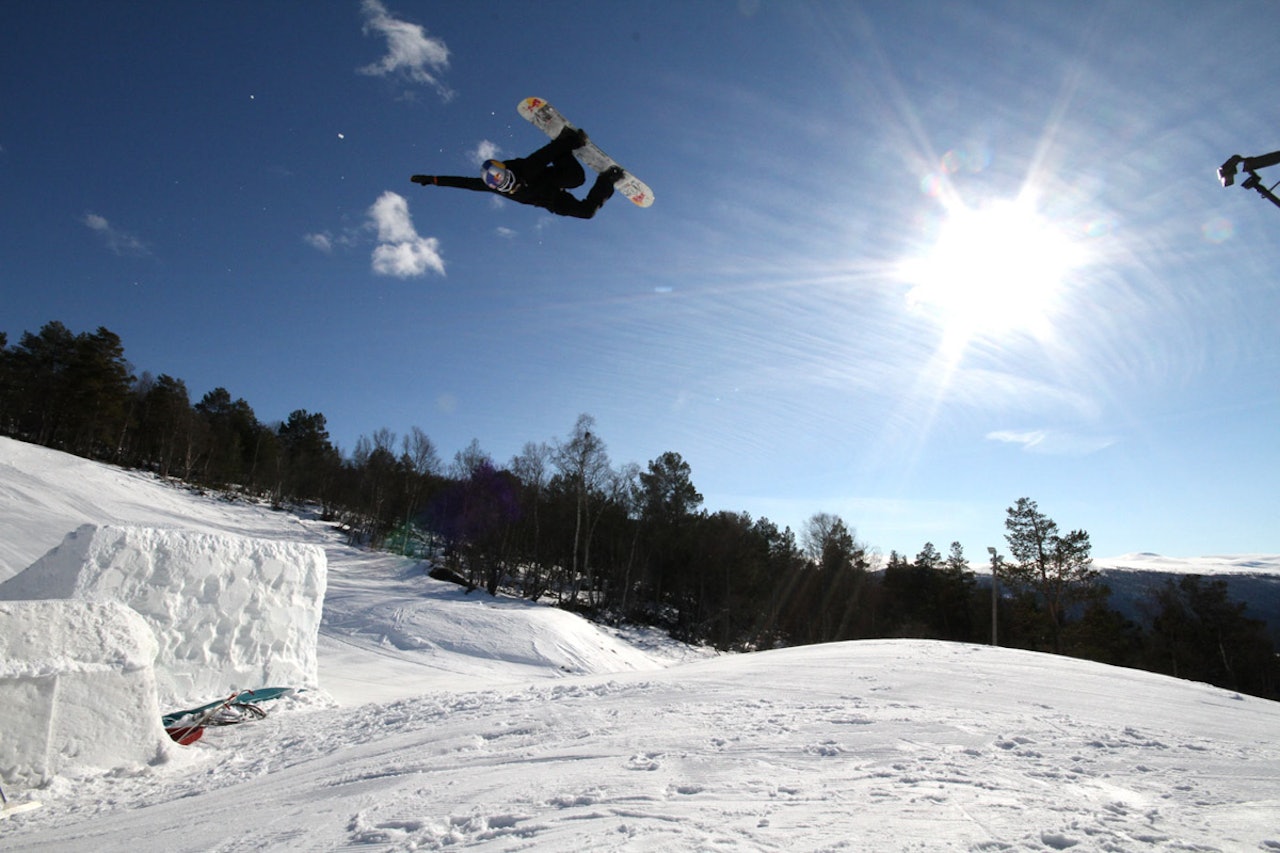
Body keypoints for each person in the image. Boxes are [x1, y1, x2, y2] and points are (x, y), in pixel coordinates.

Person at [412, 127, 625, 219]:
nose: (507, 186)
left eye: (506, 180)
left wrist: (571, 141)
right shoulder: (490, 186)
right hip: (549, 199)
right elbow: (465, 183)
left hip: (547, 177)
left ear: (507, 171)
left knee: (577, 178)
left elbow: (543, 155)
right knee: (586, 212)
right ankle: (607, 180)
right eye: (500, 185)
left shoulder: (523, 168)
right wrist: (433, 180)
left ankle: (565, 144)